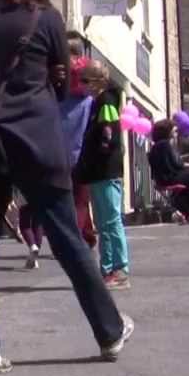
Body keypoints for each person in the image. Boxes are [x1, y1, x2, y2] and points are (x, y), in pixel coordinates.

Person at [0, 0, 132, 376]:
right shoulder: (46, 18)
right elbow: (60, 78)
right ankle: (109, 331)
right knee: (67, 238)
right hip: (35, 139)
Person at [74, 61, 131, 290]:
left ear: (99, 82)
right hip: (98, 172)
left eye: (86, 80)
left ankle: (119, 269)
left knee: (110, 220)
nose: (82, 85)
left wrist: (101, 150)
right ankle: (107, 269)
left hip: (105, 171)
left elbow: (108, 130)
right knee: (103, 222)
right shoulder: (97, 103)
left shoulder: (105, 101)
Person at [59, 56, 97, 248]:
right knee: (80, 200)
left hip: (61, 156)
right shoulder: (90, 102)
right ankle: (76, 239)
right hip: (82, 156)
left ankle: (87, 234)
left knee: (76, 198)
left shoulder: (59, 101)